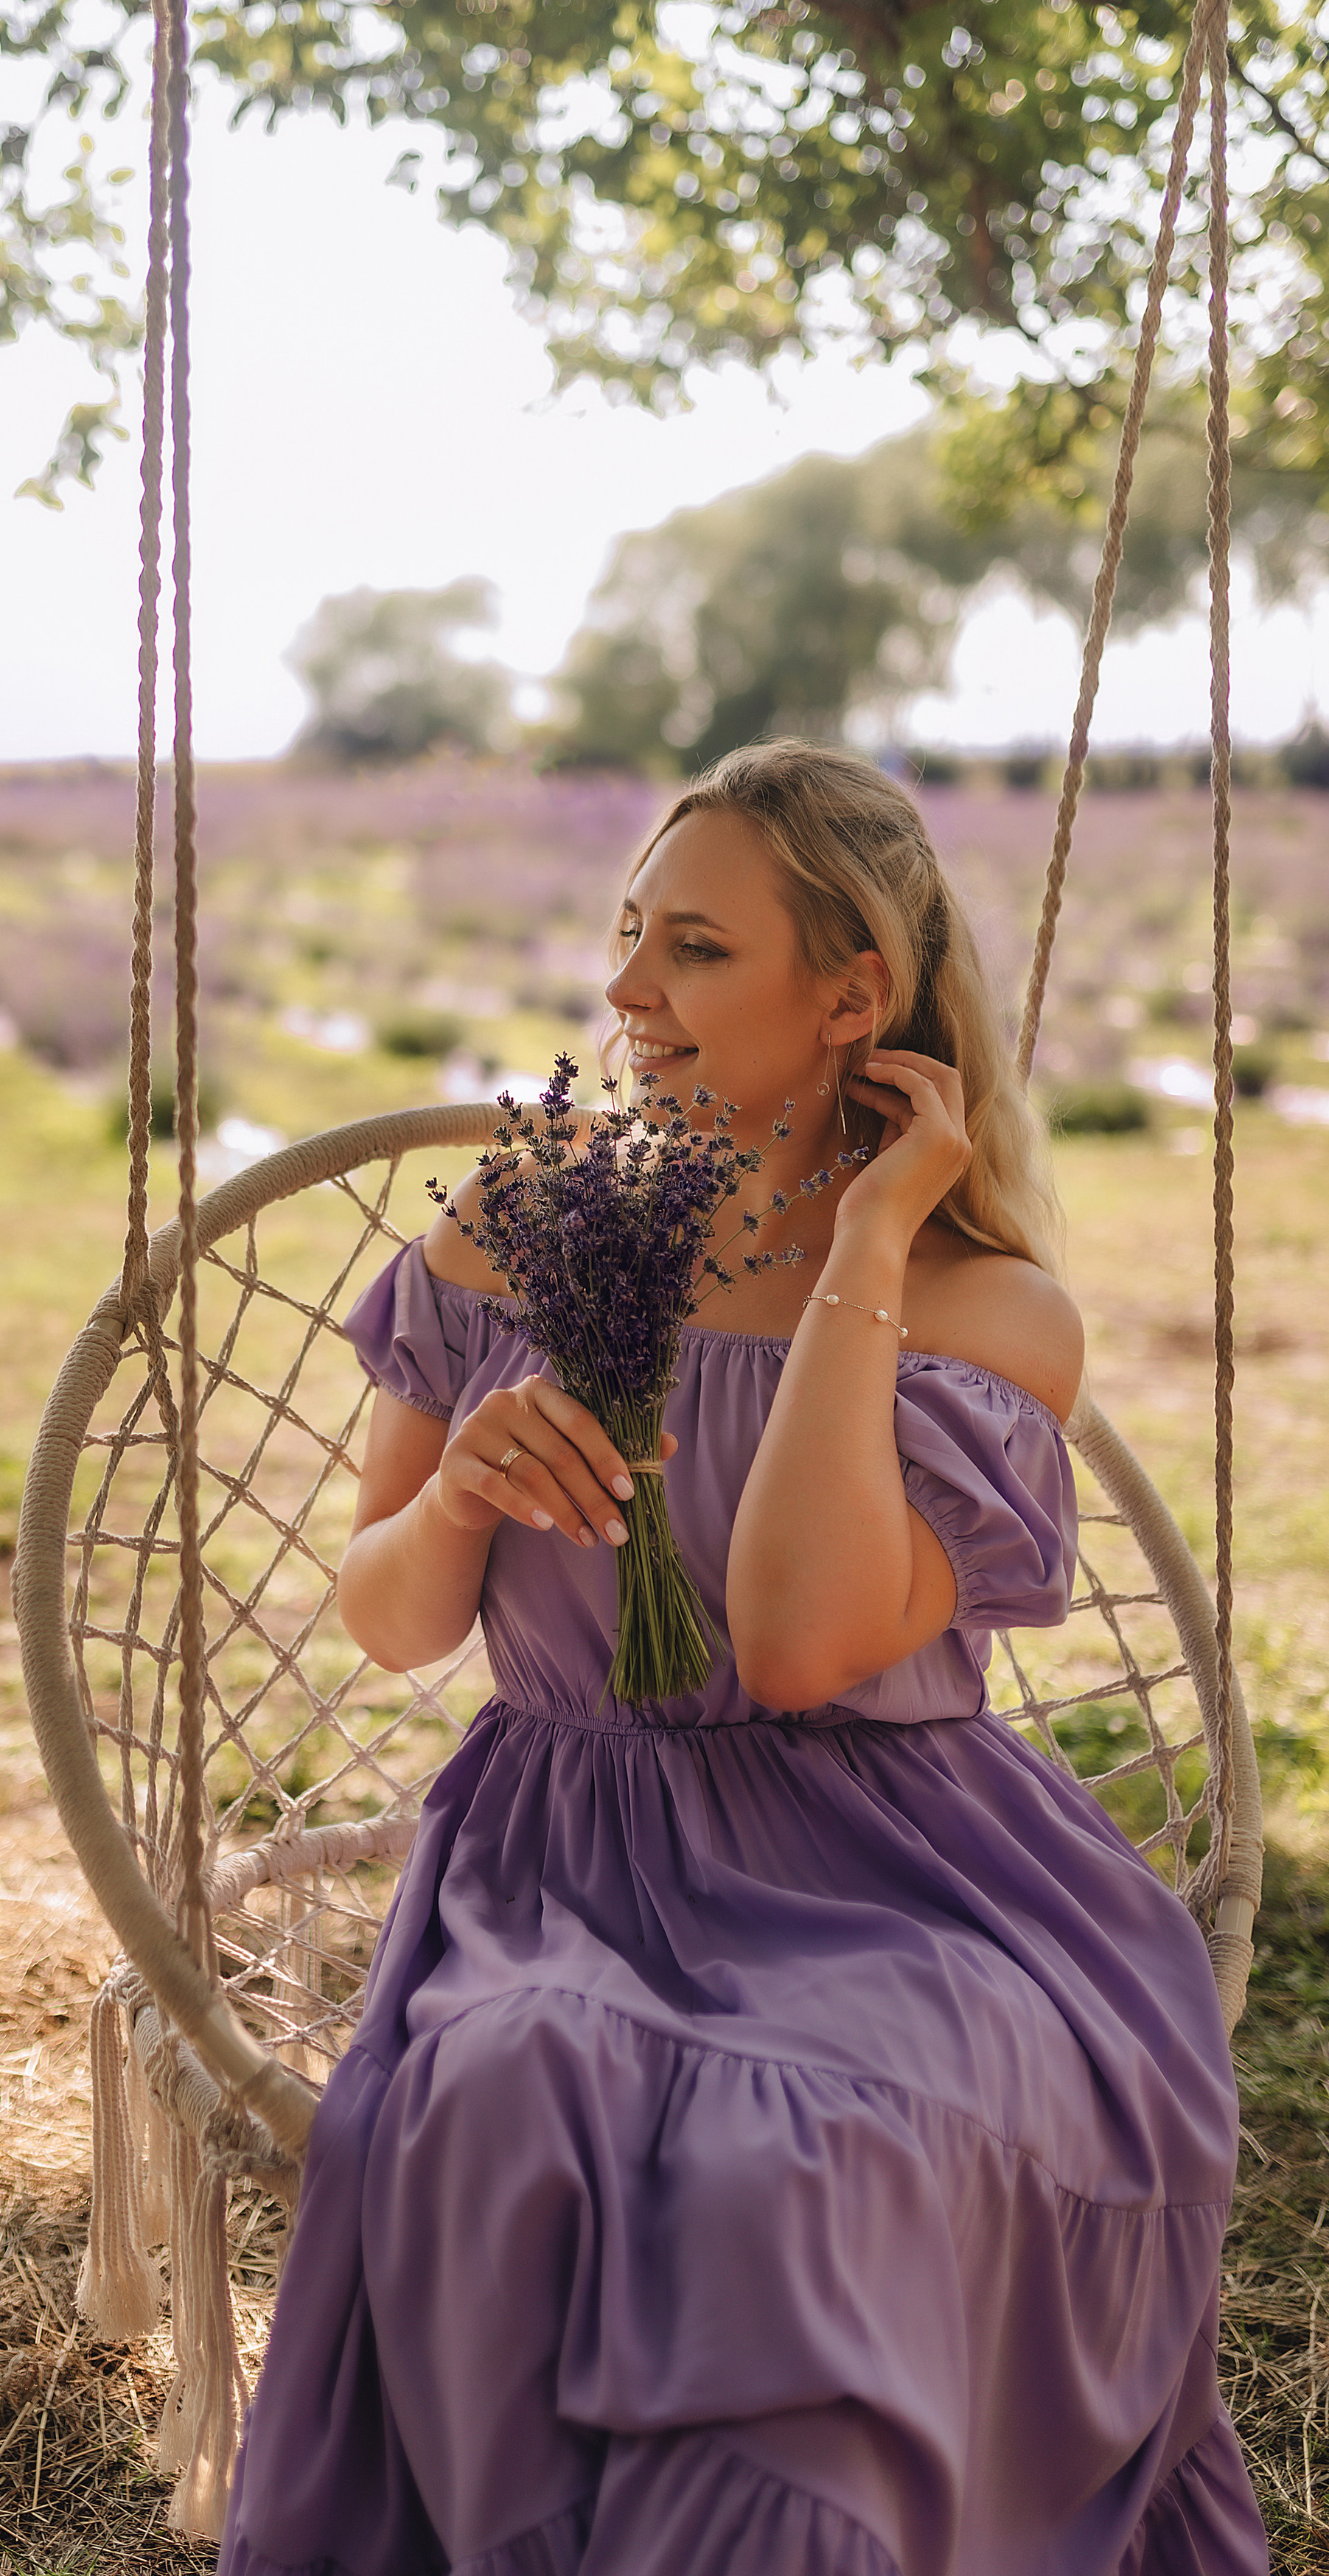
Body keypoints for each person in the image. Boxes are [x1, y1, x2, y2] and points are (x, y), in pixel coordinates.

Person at [217, 741, 1266, 2576]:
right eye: (628, 934)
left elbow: (794, 1645)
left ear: (851, 991)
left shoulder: (979, 1310)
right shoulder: (519, 1222)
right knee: (517, 2089)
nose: (625, 991)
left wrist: (862, 1241)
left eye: (692, 947)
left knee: (817, 2152)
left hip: (903, 1879)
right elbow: (386, 1623)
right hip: (561, 1855)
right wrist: (459, 1491)